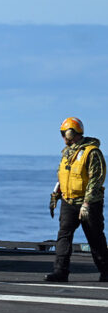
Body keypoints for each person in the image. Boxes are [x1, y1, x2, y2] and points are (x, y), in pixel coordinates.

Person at [44, 117, 108, 282]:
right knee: (63, 236)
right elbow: (63, 176)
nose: (63, 137)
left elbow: (96, 180)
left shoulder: (92, 153)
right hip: (69, 201)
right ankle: (60, 272)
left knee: (95, 237)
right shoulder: (67, 153)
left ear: (71, 133)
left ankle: (106, 271)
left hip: (89, 204)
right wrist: (55, 195)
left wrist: (86, 203)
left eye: (64, 133)